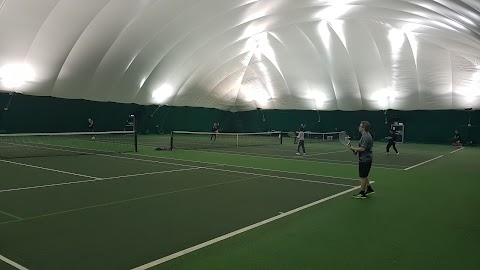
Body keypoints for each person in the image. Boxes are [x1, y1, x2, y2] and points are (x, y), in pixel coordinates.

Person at [349, 121, 374, 199]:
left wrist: (353, 148)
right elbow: (363, 148)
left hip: (365, 159)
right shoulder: (365, 135)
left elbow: (363, 149)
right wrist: (356, 151)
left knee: (362, 176)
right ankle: (369, 188)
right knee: (364, 175)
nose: (359, 127)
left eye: (360, 126)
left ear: (363, 128)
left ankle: (362, 193)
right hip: (365, 158)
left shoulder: (366, 136)